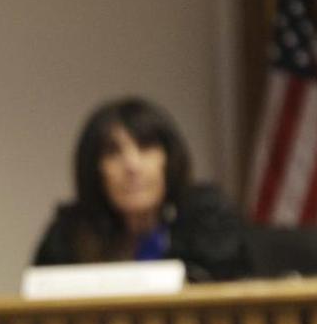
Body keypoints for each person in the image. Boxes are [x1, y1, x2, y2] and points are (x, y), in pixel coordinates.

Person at [33, 97, 251, 282]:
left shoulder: (207, 220)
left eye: (146, 147)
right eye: (112, 152)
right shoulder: (68, 235)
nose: (132, 166)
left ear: (168, 159)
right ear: (95, 168)